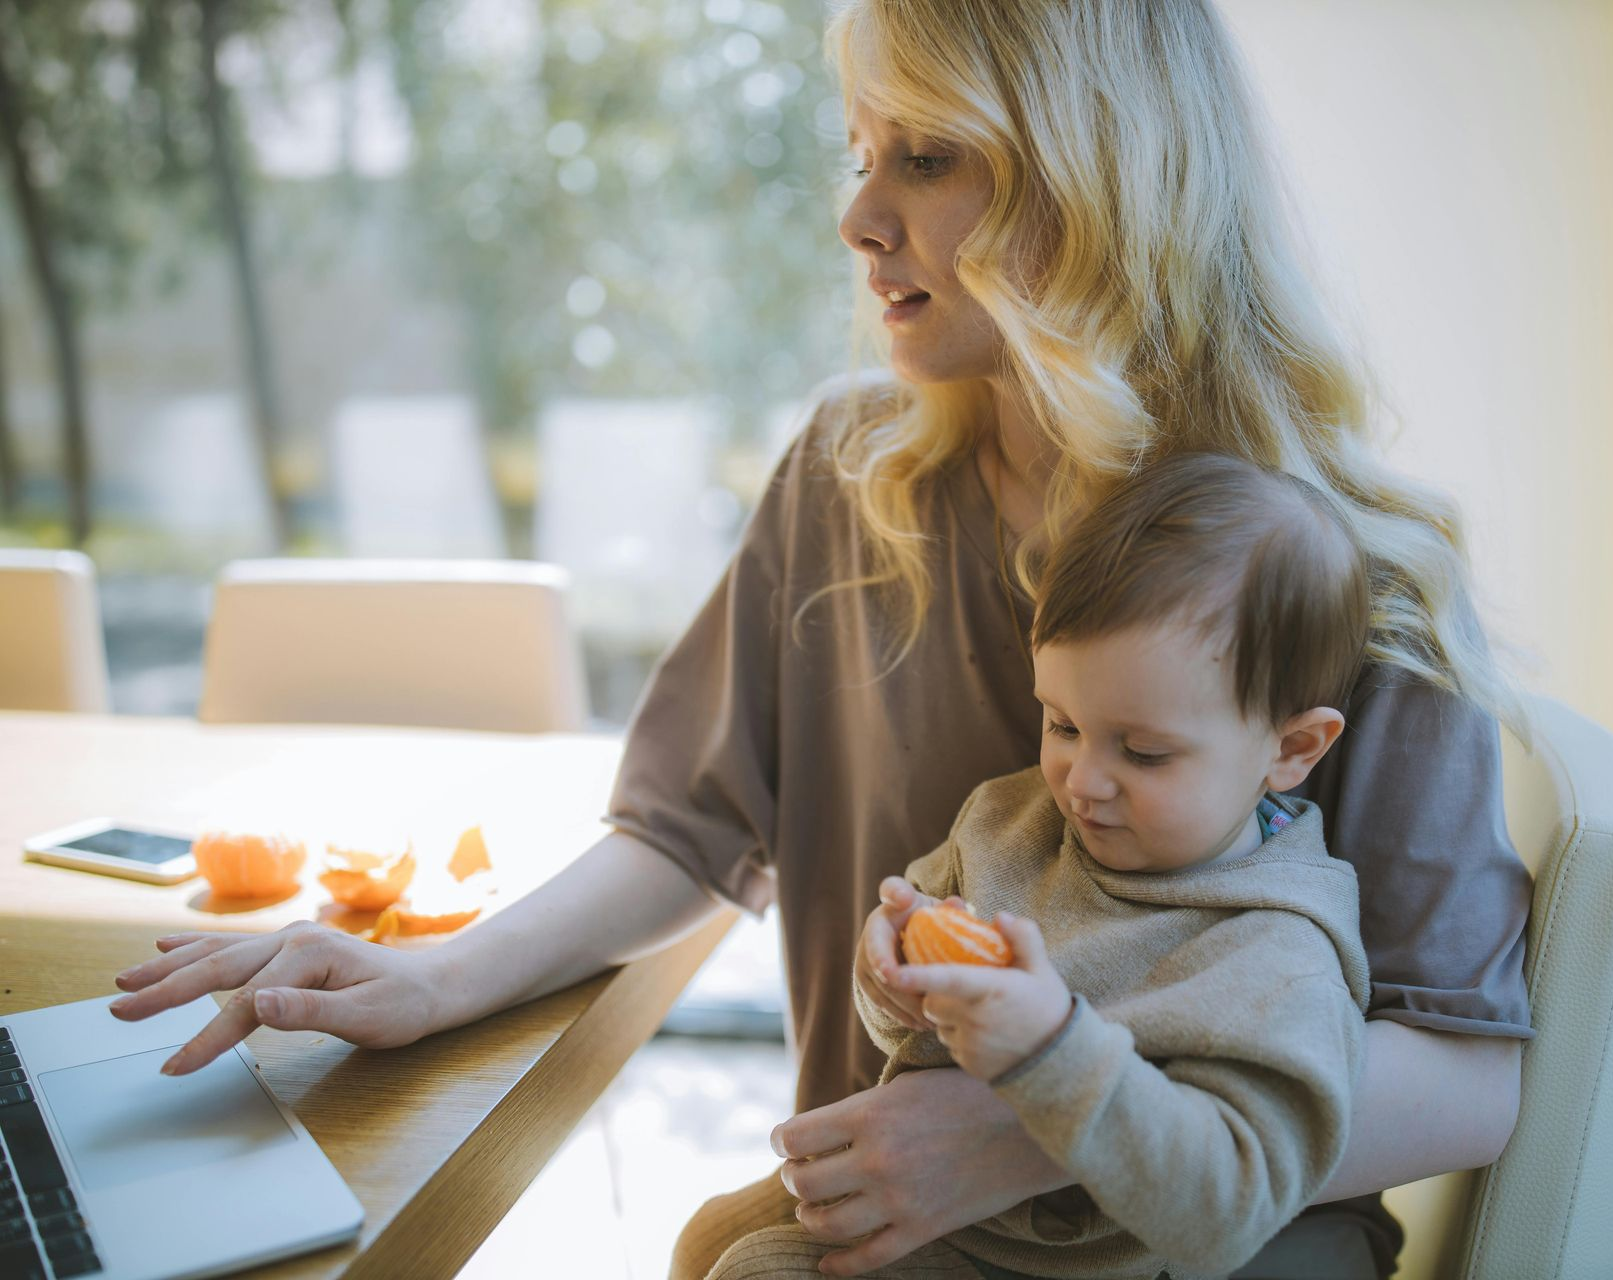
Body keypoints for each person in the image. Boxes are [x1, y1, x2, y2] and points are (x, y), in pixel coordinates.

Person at [107, 2, 1534, 1277]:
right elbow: (686, 831)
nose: (858, 217)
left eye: (928, 158)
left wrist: (1034, 1131)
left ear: (1096, 176)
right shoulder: (850, 480)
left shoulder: (1345, 562)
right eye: (860, 152)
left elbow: (1468, 1075)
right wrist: (437, 975)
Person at [708, 451, 1376, 1279]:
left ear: (1291, 747)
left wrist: (1050, 1050)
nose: (1080, 781)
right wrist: (891, 977)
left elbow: (1226, 1212)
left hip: (1050, 1267)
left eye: (1143, 751)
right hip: (931, 1214)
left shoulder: (1275, 957)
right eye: (1061, 724)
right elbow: (906, 1034)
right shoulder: (1010, 821)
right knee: (712, 1242)